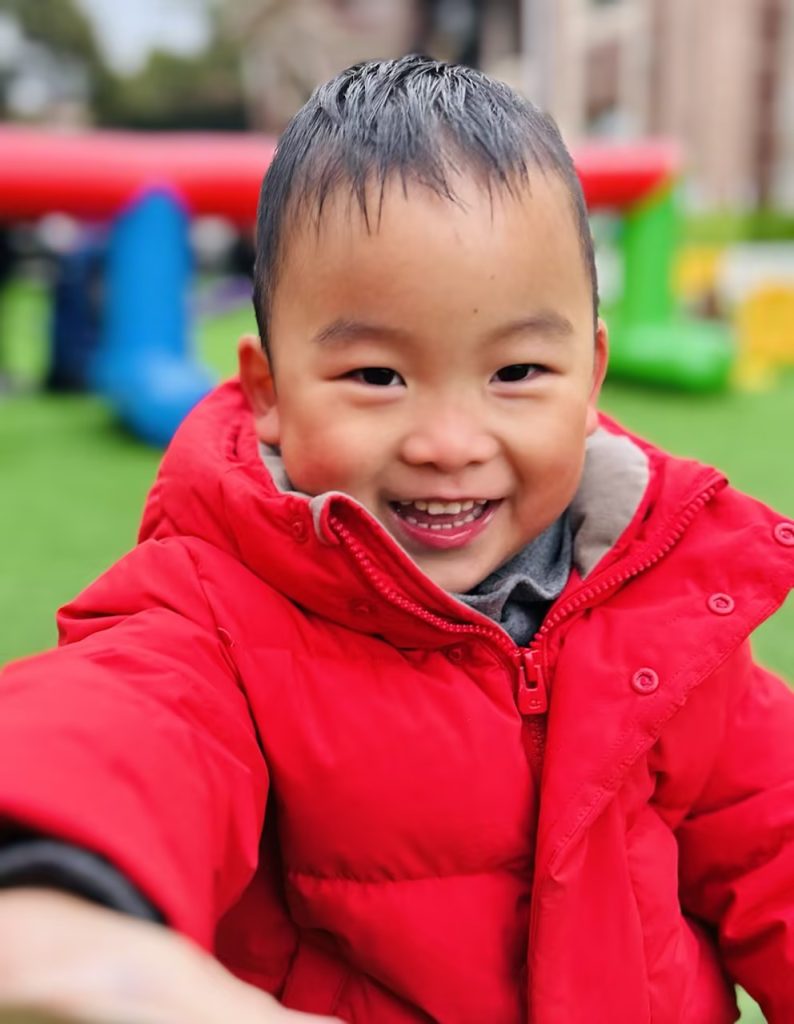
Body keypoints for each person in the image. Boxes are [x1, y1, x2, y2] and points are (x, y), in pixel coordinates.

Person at [0, 55, 792, 1024]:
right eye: (377, 377)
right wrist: (56, 891)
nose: (448, 443)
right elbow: (122, 716)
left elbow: (772, 833)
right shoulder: (216, 610)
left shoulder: (668, 597)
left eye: (515, 372)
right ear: (269, 391)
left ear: (589, 378)